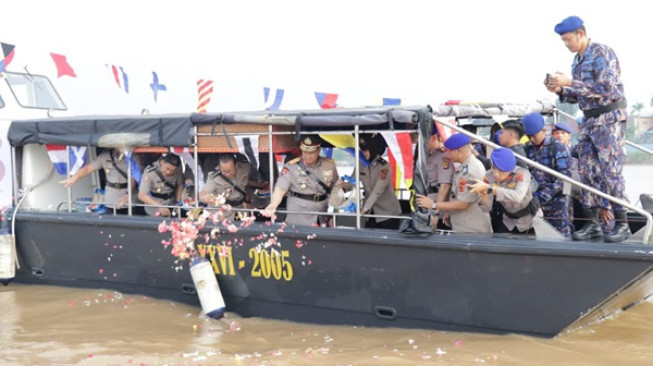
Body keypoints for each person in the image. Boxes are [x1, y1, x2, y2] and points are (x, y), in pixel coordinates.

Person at [545, 15, 629, 242]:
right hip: (589, 121)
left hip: (609, 119)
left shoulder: (602, 53)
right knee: (587, 173)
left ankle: (622, 223)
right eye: (563, 41)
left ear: (580, 34)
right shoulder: (577, 61)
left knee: (610, 172)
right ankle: (592, 223)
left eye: (568, 39)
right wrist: (560, 91)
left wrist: (569, 82)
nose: (566, 44)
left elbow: (605, 89)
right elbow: (580, 97)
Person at [416, 133, 492, 233]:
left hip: (472, 229)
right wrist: (450, 211)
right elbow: (459, 196)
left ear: (459, 150)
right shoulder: (465, 167)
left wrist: (434, 205)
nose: (448, 153)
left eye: (450, 150)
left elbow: (463, 204)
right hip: (465, 224)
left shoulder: (470, 170)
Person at [263, 135, 339, 226]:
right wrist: (274, 204)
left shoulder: (329, 165)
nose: (307, 156)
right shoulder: (291, 167)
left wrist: (334, 212)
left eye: (311, 152)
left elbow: (336, 189)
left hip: (322, 216)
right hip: (298, 218)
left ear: (318, 150)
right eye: (304, 152)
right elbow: (280, 188)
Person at [469, 148, 542, 234]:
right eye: (496, 169)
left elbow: (517, 196)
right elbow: (486, 208)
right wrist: (483, 195)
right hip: (509, 222)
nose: (497, 174)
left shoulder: (522, 174)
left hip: (530, 220)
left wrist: (490, 189)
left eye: (503, 172)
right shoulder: (488, 177)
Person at [522, 113, 572, 237]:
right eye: (528, 136)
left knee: (560, 237)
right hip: (535, 205)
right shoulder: (528, 149)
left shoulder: (557, 148)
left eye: (533, 136)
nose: (531, 139)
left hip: (556, 204)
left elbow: (564, 178)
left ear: (544, 131)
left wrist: (542, 196)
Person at [60, 148, 138, 214]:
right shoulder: (105, 156)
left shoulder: (134, 156)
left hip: (131, 198)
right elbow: (87, 169)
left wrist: (127, 195)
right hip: (111, 199)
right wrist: (74, 178)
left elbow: (134, 176)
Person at [356, 134, 402, 230]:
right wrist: (343, 185)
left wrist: (364, 209)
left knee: (386, 242)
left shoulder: (385, 167)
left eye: (367, 150)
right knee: (368, 240)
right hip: (371, 212)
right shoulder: (360, 164)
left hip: (388, 213)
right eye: (363, 151)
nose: (365, 154)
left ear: (374, 149)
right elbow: (352, 181)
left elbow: (377, 191)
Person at [200, 154, 252, 221]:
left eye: (230, 171)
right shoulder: (213, 177)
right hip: (220, 213)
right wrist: (208, 198)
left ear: (236, 165)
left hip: (240, 209)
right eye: (224, 171)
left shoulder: (244, 168)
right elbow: (203, 194)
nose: (227, 174)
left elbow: (246, 183)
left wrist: (247, 200)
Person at [426, 129, 454, 228]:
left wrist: (435, 213)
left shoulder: (443, 156)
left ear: (433, 138)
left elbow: (445, 186)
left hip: (437, 210)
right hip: (424, 207)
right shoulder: (425, 155)